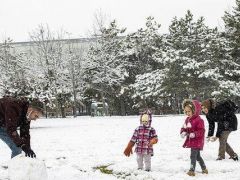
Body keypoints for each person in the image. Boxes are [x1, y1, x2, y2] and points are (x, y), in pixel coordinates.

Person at [180, 99, 208, 176]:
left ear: (194, 110)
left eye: (189, 111)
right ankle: (204, 168)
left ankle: (192, 170)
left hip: (197, 141)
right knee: (197, 156)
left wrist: (195, 134)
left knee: (193, 155)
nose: (187, 113)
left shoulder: (199, 120)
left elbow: (201, 131)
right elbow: (184, 127)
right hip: (191, 140)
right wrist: (183, 132)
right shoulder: (187, 119)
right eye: (186, 111)